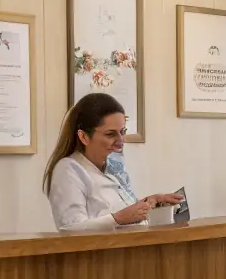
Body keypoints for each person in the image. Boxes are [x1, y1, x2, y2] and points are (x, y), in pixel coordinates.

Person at [43, 93, 180, 232]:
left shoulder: (112, 167)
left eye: (123, 132)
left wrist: (150, 203)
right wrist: (118, 219)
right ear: (83, 136)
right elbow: (69, 230)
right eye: (110, 134)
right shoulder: (68, 169)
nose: (121, 141)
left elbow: (121, 215)